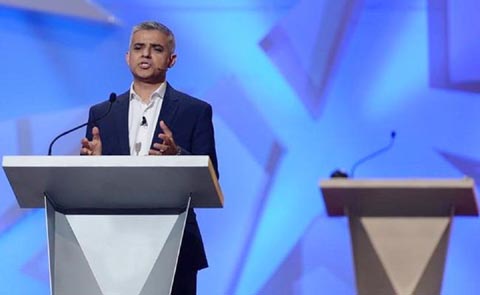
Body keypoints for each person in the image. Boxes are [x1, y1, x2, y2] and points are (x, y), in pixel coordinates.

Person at [80, 21, 218, 295]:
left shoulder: (195, 111)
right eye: (138, 47)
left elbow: (212, 175)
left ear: (171, 60)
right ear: (127, 57)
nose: (145, 54)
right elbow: (90, 185)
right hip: (112, 244)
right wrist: (93, 162)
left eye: (156, 49)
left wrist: (177, 154)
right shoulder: (103, 112)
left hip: (175, 242)